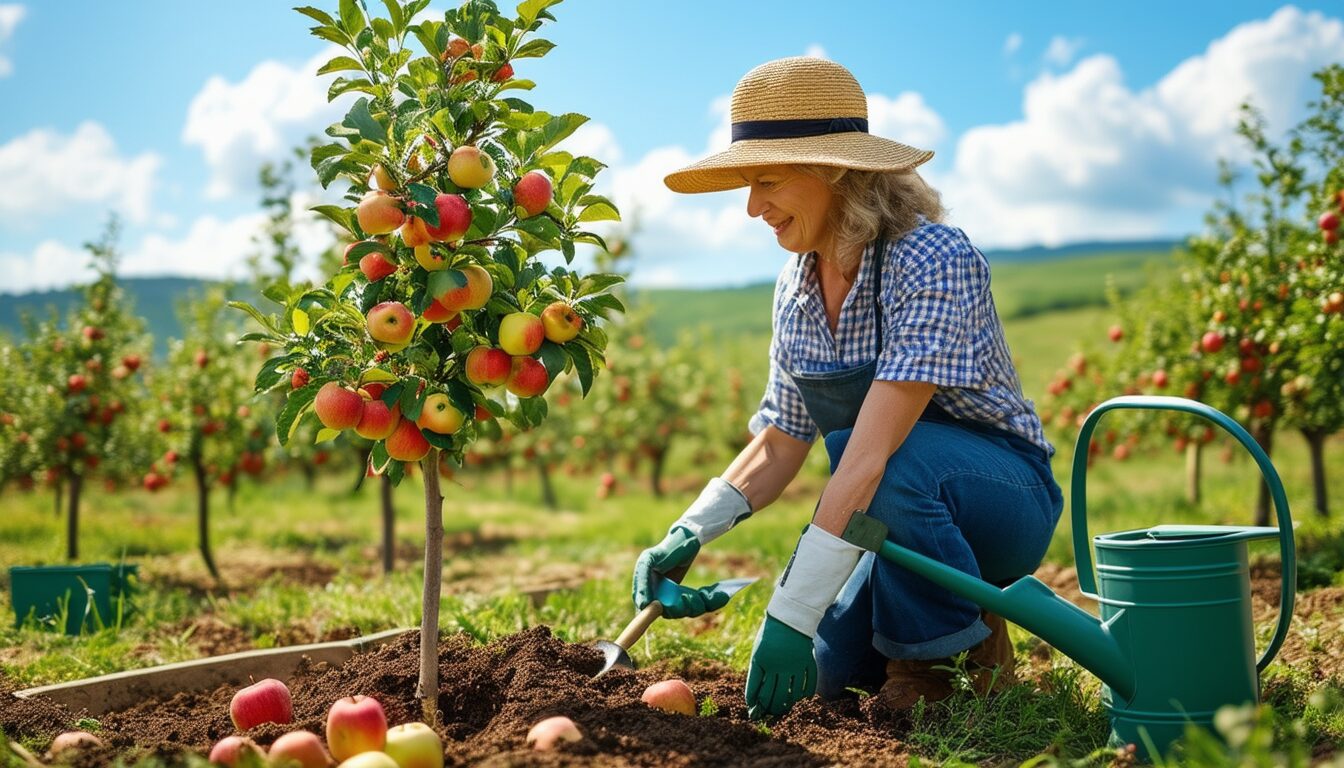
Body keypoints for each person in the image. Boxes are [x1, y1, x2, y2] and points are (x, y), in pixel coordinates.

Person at [630, 56, 1064, 720]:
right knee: (826, 677)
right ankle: (931, 634)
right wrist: (690, 531)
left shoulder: (932, 258)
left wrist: (791, 609)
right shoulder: (796, 286)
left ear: (832, 170)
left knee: (894, 467)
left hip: (999, 500)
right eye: (749, 184)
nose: (752, 208)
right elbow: (780, 439)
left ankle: (957, 666)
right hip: (885, 509)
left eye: (768, 181)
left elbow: (870, 456)